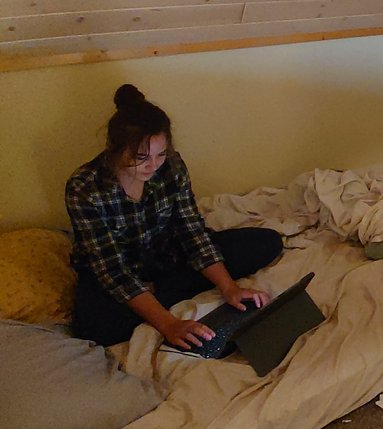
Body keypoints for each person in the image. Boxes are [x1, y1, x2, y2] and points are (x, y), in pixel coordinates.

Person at [66, 84, 283, 349]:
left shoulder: (171, 166)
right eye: (141, 157)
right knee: (93, 328)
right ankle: (156, 298)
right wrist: (168, 324)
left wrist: (229, 288)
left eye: (160, 155)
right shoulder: (85, 187)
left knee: (267, 243)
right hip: (118, 269)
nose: (153, 166)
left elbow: (191, 230)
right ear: (115, 148)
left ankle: (158, 294)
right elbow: (112, 270)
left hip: (166, 256)